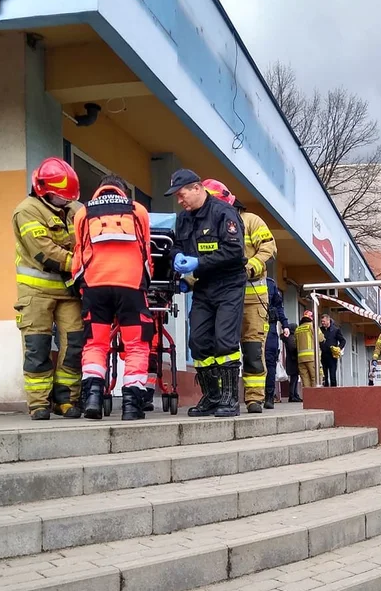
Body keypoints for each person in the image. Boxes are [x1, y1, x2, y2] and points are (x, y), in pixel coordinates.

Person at [71, 175, 154, 421]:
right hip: (130, 287)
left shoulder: (82, 213)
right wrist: (145, 283)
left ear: (99, 190)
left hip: (95, 287)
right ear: (124, 191)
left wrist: (81, 286)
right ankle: (131, 405)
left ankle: (94, 397)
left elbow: (79, 253)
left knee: (95, 344)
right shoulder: (137, 210)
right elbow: (146, 250)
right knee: (136, 344)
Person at [166, 169, 246, 417]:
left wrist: (198, 262)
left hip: (229, 283)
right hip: (203, 286)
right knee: (198, 341)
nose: (180, 201)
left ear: (197, 188)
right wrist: (176, 256)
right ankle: (211, 397)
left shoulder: (224, 213)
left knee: (225, 340)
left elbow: (234, 252)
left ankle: (230, 398)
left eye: (182, 195)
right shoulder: (184, 218)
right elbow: (176, 244)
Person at [12, 157, 83, 421]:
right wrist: (79, 262)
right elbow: (44, 251)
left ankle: (66, 400)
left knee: (74, 344)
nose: (66, 202)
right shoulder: (26, 211)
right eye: (60, 197)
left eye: (68, 197)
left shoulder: (76, 209)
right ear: (42, 190)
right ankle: (39, 404)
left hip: (70, 291)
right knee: (37, 346)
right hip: (36, 292)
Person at [202, 179, 277, 414]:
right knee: (224, 347)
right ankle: (227, 396)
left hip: (252, 295)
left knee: (253, 348)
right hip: (223, 295)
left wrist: (250, 267)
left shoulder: (250, 221)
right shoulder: (209, 224)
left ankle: (254, 398)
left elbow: (269, 249)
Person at [264, 277, 289, 408]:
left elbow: (279, 307)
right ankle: (253, 397)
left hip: (270, 327)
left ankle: (269, 396)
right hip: (251, 327)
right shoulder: (245, 280)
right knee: (253, 360)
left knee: (270, 362)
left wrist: (285, 325)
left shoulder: (270, 284)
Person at [295, 309, 323, 389]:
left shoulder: (298, 329)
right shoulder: (312, 326)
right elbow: (321, 338)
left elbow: (295, 343)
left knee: (305, 381)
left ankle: (307, 399)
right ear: (311, 318)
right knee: (315, 379)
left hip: (301, 359)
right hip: (312, 358)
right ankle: (315, 399)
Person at [319, 313, 347, 387]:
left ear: (328, 321)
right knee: (324, 377)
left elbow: (343, 341)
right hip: (323, 356)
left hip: (332, 356)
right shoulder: (320, 330)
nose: (322, 323)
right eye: (321, 321)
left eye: (324, 321)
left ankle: (334, 393)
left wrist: (339, 348)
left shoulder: (335, 330)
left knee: (332, 376)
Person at [284, 321, 302, 402]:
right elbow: (293, 348)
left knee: (294, 378)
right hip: (293, 360)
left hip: (292, 360)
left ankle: (295, 394)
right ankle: (292, 395)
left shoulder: (290, 337)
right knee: (294, 378)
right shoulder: (291, 337)